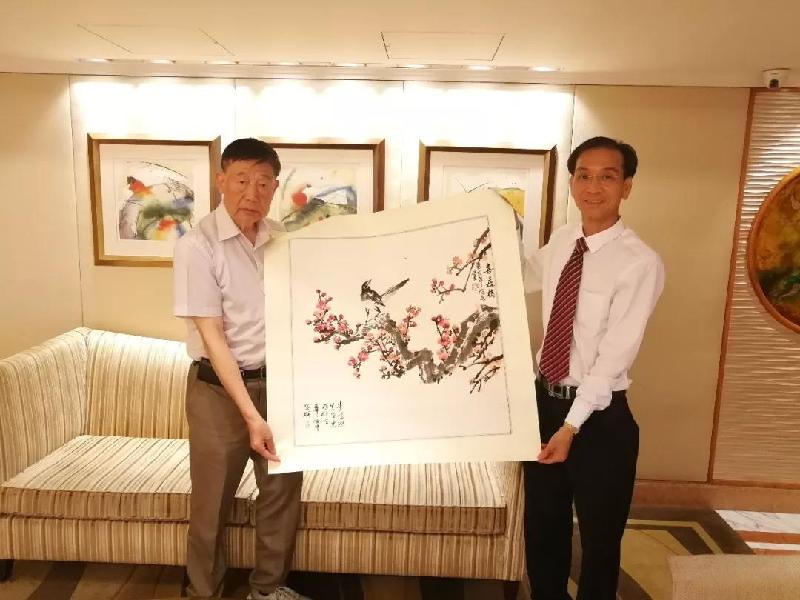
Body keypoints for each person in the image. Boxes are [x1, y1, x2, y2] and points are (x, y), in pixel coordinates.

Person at [521, 136, 665, 600]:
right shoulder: (563, 239)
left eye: (607, 176)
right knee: (543, 528)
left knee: (601, 540)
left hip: (599, 420)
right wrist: (494, 229)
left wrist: (571, 427)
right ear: (572, 183)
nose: (593, 187)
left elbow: (612, 360)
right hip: (544, 403)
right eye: (583, 175)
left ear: (627, 187)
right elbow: (524, 275)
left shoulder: (640, 263)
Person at [173, 138, 310, 600]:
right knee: (211, 503)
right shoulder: (197, 247)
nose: (253, 192)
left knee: (281, 494)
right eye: (242, 180)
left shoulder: (281, 238)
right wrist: (252, 416)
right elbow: (213, 337)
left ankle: (267, 590)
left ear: (274, 187)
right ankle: (203, 593)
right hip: (218, 393)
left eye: (264, 182)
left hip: (279, 385)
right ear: (221, 181)